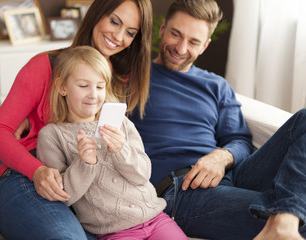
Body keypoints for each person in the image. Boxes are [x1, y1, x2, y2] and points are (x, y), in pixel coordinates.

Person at [0, 0, 152, 239]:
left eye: (130, 32)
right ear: (97, 14)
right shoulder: (45, 65)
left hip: (82, 192)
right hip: (27, 179)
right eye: (114, 21)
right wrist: (37, 170)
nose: (118, 36)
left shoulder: (119, 79)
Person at [128, 0, 306, 239]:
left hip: (232, 174)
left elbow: (240, 140)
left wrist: (222, 156)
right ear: (162, 29)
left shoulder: (217, 86)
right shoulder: (133, 77)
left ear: (205, 46)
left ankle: (285, 217)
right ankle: (285, 216)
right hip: (181, 188)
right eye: (175, 34)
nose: (181, 48)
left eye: (193, 42)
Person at [37, 45, 188, 240]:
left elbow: (143, 174)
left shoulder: (122, 122)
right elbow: (63, 196)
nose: (93, 94)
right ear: (62, 86)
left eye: (100, 86)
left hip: (155, 218)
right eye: (83, 86)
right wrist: (85, 163)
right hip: (115, 231)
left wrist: (121, 150)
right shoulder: (52, 136)